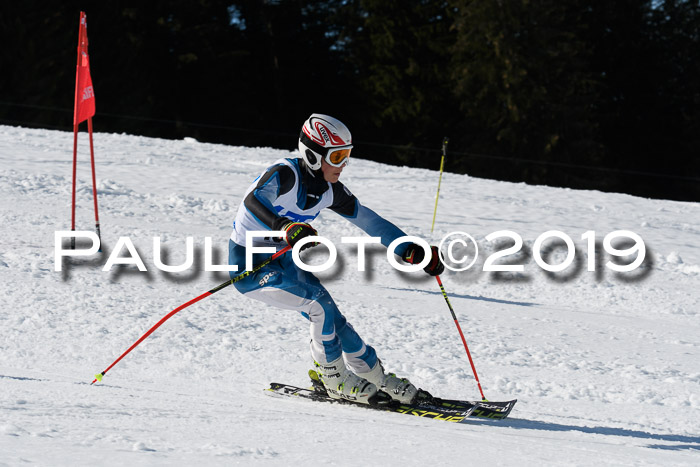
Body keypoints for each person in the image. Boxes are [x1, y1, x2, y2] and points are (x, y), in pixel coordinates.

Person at [228, 114, 444, 406]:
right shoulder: (284, 175)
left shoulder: (330, 190)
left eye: (347, 156)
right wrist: (285, 227)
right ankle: (332, 377)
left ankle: (375, 377)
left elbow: (370, 221)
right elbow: (253, 202)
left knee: (335, 320)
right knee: (318, 304)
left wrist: (409, 248)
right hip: (250, 268)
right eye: (338, 156)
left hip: (284, 261)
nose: (343, 165)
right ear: (314, 156)